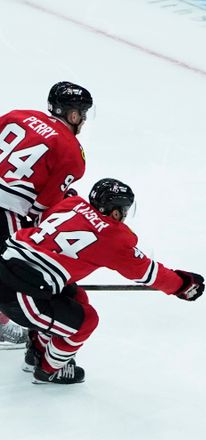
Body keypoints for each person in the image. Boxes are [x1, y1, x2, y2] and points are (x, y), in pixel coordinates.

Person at [0, 178, 206, 384]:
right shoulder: (113, 237)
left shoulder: (72, 204)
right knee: (86, 322)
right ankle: (48, 371)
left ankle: (35, 352)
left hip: (12, 267)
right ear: (115, 211)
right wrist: (183, 285)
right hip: (19, 291)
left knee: (75, 296)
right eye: (124, 210)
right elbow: (148, 273)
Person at [0, 81, 93, 349]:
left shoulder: (19, 115)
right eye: (82, 114)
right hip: (6, 209)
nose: (83, 120)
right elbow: (44, 207)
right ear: (73, 115)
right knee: (14, 268)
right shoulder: (71, 151)